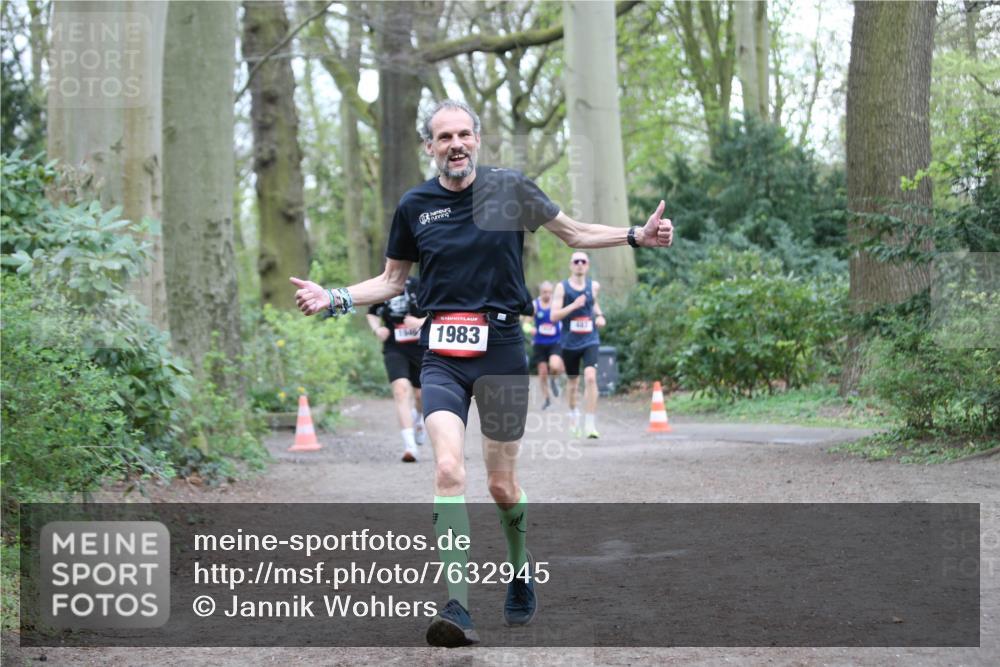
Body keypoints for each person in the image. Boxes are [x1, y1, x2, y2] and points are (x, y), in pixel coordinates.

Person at [289, 99, 673, 648]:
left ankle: (519, 566)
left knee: (500, 484)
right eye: (444, 137)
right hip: (441, 352)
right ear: (430, 147)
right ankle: (457, 606)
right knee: (448, 468)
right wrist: (335, 297)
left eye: (464, 134)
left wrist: (636, 234)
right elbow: (392, 281)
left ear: (477, 139)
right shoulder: (415, 206)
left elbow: (574, 234)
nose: (456, 145)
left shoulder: (509, 188)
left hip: (501, 351)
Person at [366, 275, 428, 462]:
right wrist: (377, 329)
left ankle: (419, 419)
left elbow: (439, 313)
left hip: (421, 347)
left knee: (421, 396)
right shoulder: (383, 286)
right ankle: (410, 447)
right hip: (394, 347)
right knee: (400, 390)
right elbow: (371, 312)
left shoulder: (420, 284)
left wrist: (419, 323)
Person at [551, 252, 604, 438]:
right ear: (571, 265)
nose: (580, 264)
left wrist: (600, 316)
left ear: (587, 265)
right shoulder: (562, 288)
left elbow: (593, 304)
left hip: (590, 339)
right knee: (573, 383)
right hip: (570, 342)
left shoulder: (593, 286)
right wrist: (573, 305)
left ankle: (590, 425)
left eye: (583, 261)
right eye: (576, 261)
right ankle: (574, 416)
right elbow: (554, 316)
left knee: (590, 377)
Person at [522, 281, 564, 410]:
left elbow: (565, 320)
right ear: (540, 292)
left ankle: (554, 380)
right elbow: (525, 324)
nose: (547, 295)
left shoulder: (557, 305)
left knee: (555, 366)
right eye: (545, 292)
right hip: (539, 343)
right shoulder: (535, 305)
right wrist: (531, 329)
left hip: (555, 342)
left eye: (550, 292)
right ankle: (547, 400)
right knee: (543, 373)